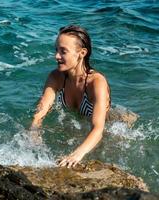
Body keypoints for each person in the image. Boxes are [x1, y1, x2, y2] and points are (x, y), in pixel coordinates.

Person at [30, 25, 111, 168]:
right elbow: (39, 114)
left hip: (108, 123)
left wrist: (77, 154)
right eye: (56, 50)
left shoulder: (96, 82)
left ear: (82, 53)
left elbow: (98, 129)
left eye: (63, 51)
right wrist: (34, 136)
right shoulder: (56, 77)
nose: (56, 56)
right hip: (78, 121)